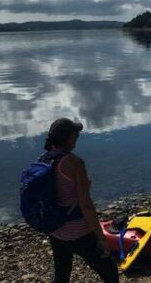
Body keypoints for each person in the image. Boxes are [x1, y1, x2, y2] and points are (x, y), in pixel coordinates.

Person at [44, 118, 118, 283]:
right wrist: (101, 237)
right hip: (78, 230)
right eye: (75, 134)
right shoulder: (75, 163)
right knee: (109, 271)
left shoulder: (44, 160)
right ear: (70, 138)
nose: (77, 138)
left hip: (55, 229)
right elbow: (86, 205)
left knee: (61, 274)